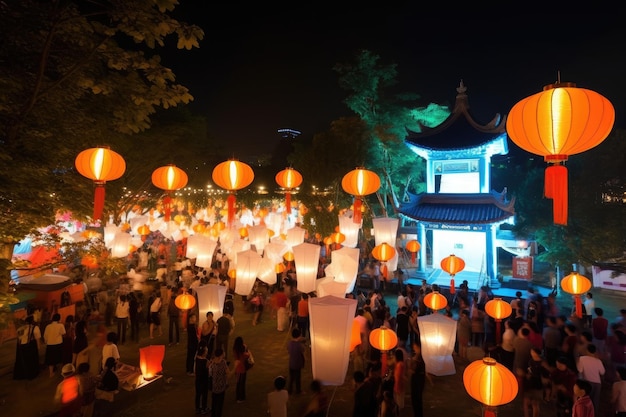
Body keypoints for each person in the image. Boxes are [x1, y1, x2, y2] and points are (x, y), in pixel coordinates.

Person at [576, 343, 605, 416]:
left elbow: (580, 370)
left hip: (587, 383)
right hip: (597, 384)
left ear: (587, 350)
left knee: (585, 401)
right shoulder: (598, 361)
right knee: (595, 402)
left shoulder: (582, 359)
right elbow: (602, 372)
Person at [13, 315, 41, 380]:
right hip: (31, 346)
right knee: (32, 360)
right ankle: (32, 374)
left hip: (22, 346)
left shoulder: (22, 328)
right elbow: (37, 338)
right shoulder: (35, 328)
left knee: (24, 361)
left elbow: (18, 336)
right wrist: (38, 347)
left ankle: (23, 374)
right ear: (32, 320)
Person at [410, 342, 432, 417]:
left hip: (418, 379)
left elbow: (416, 369)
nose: (414, 349)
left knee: (417, 398)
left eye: (415, 348)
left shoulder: (421, 358)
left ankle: (418, 414)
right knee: (415, 398)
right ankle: (417, 413)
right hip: (416, 378)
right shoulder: (417, 357)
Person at [44, 312, 66, 377]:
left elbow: (45, 336)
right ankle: (63, 372)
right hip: (58, 343)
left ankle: (51, 373)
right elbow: (64, 333)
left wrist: (46, 342)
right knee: (60, 358)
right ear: (59, 319)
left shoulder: (48, 326)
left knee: (51, 359)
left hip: (50, 344)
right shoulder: (60, 325)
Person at [209, 348, 229, 417]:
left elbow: (210, 373)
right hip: (221, 388)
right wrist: (235, 367)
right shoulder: (223, 363)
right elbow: (228, 374)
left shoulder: (212, 362)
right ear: (220, 355)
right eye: (223, 353)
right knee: (219, 406)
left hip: (214, 387)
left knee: (214, 404)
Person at [287, 327, 306, 395]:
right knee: (298, 378)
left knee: (291, 378)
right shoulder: (300, 345)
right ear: (299, 335)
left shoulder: (289, 343)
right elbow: (303, 353)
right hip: (297, 364)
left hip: (291, 364)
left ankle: (290, 390)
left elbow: (289, 351)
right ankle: (298, 391)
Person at [233, 335, 250, 403]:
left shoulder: (235, 350)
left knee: (238, 383)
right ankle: (241, 398)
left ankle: (238, 397)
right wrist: (246, 349)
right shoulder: (242, 353)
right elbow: (248, 355)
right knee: (242, 384)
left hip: (237, 369)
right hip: (242, 369)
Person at [194, 344, 210, 414]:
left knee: (198, 394)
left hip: (198, 380)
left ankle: (197, 408)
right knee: (204, 394)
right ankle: (204, 408)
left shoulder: (197, 358)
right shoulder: (205, 361)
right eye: (206, 350)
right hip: (204, 381)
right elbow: (208, 371)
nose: (207, 352)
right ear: (203, 352)